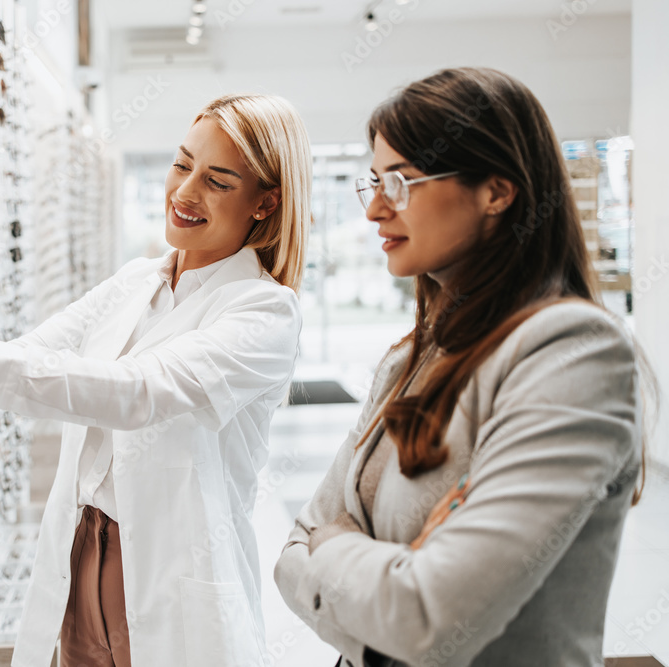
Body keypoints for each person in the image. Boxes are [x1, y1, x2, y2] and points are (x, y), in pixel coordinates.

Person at [0, 93, 312, 667]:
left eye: (218, 181)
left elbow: (135, 392)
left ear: (266, 202)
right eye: (182, 164)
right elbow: (20, 362)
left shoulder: (265, 312)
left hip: (167, 578)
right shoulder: (136, 282)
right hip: (81, 554)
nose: (184, 192)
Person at [274, 67, 649, 667]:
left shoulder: (573, 352)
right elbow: (290, 550)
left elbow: (430, 618)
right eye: (372, 181)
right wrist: (378, 578)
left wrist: (334, 547)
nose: (374, 208)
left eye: (400, 182)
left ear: (497, 191)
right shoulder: (409, 357)